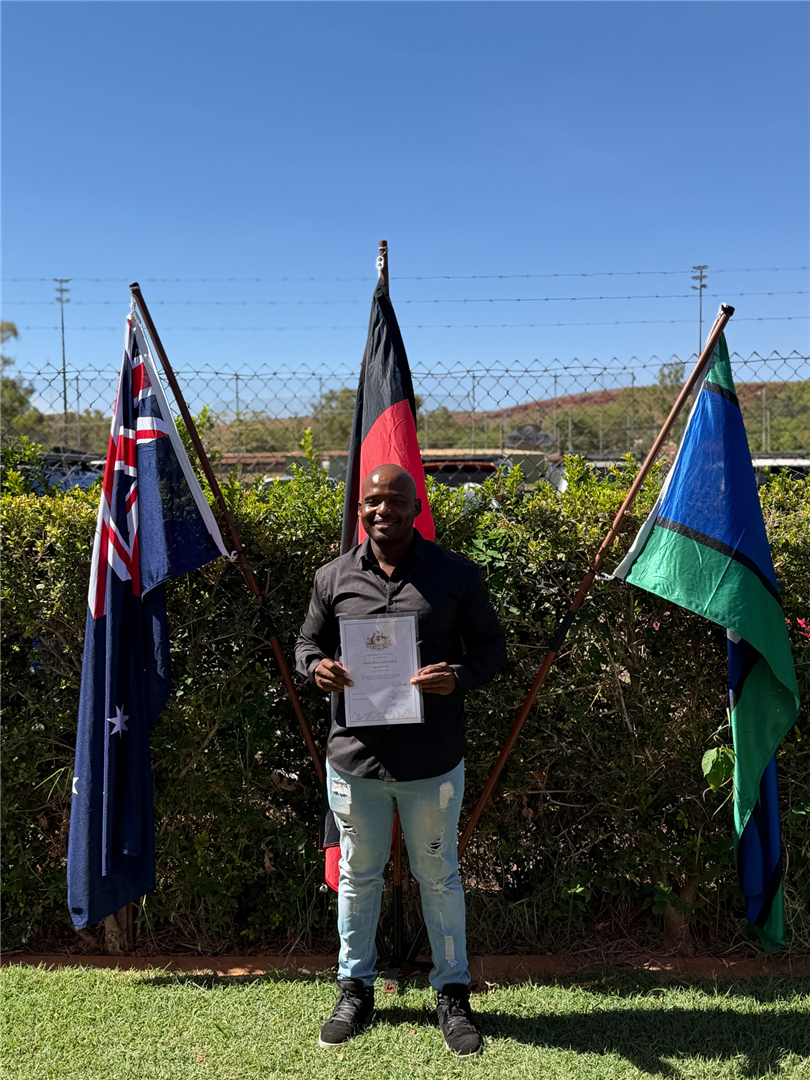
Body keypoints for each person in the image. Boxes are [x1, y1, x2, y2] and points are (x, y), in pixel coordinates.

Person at [295, 463, 507, 1058]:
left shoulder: (456, 575)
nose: (382, 510)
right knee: (358, 876)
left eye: (394, 500)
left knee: (438, 876)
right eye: (372, 501)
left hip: (430, 762)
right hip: (355, 760)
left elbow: (493, 648)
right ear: (360, 509)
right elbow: (306, 642)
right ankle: (354, 990)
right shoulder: (333, 577)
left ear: (416, 507)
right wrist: (317, 668)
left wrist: (457, 675)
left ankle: (453, 993)